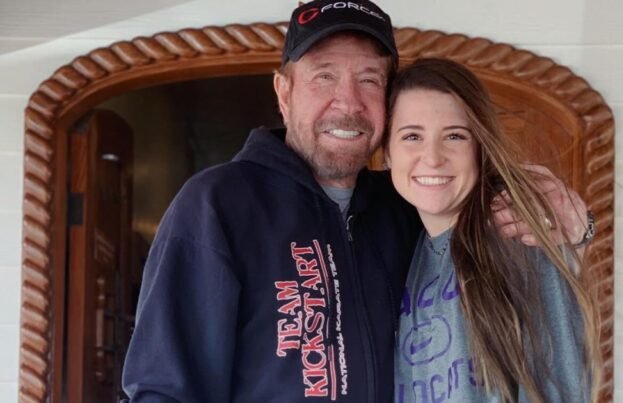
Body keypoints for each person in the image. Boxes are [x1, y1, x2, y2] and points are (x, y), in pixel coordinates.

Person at [122, 1, 595, 401]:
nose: (347, 102)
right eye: (324, 76)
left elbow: (487, 200)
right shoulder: (218, 205)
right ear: (284, 92)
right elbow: (163, 389)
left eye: (369, 80)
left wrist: (574, 224)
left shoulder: (408, 206)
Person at [386, 58, 599, 403]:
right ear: (387, 153)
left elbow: (559, 388)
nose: (433, 157)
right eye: (412, 136)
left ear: (480, 148)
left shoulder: (516, 231)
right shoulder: (414, 245)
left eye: (455, 136)